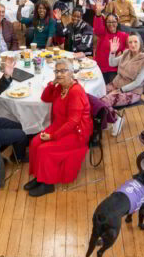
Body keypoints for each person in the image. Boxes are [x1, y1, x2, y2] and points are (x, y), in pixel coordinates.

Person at [25, 59, 93, 197]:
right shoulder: (61, 87)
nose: (60, 74)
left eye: (63, 71)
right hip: (60, 126)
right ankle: (39, 177)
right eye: (57, 71)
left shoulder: (76, 92)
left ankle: (47, 184)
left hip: (76, 133)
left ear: (72, 72)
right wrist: (52, 83)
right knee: (35, 143)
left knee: (45, 149)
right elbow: (45, 98)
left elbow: (73, 122)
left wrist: (52, 136)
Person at [103, 33, 144, 135]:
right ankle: (110, 117)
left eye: (135, 42)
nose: (133, 45)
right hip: (116, 84)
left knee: (105, 100)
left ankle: (116, 119)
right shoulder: (127, 53)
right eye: (130, 42)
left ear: (141, 43)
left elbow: (137, 82)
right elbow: (112, 63)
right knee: (97, 93)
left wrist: (120, 90)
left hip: (132, 92)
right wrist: (112, 52)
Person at [93, 0, 129, 84]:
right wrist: (98, 14)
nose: (111, 24)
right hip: (100, 66)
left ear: (117, 23)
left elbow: (130, 48)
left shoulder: (123, 35)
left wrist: (123, 52)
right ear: (105, 23)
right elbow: (97, 28)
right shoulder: (102, 33)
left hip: (114, 68)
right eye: (108, 22)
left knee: (112, 88)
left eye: (114, 22)